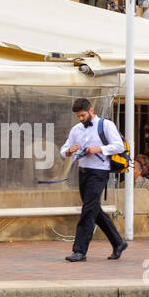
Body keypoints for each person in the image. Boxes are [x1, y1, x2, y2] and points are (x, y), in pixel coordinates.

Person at [59, 97, 127, 262]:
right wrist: (69, 151)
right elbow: (63, 150)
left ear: (91, 110)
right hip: (83, 171)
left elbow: (119, 146)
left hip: (99, 172)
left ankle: (79, 250)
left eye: (82, 115)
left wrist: (99, 149)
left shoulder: (106, 125)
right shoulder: (76, 129)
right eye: (78, 117)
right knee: (93, 209)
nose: (81, 119)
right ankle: (118, 242)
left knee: (88, 209)